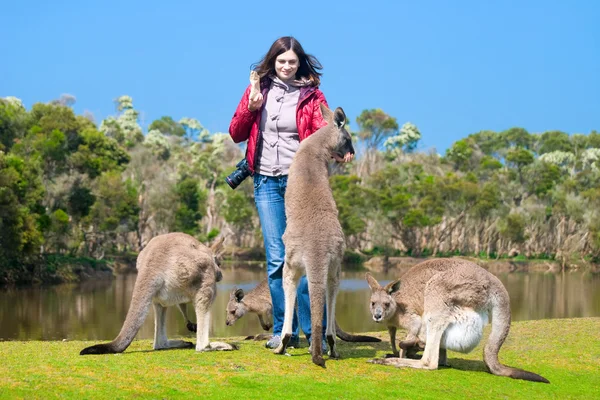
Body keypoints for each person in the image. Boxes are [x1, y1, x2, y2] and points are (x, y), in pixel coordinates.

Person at [228, 36, 351, 350]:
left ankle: (314, 332)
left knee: (312, 257)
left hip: (300, 183)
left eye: (292, 62)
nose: (286, 66)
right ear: (273, 62)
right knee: (277, 259)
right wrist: (250, 107)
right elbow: (236, 133)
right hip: (266, 181)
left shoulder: (311, 96)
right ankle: (283, 331)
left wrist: (340, 151)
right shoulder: (259, 91)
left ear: (299, 64)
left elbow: (322, 135)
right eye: (281, 61)